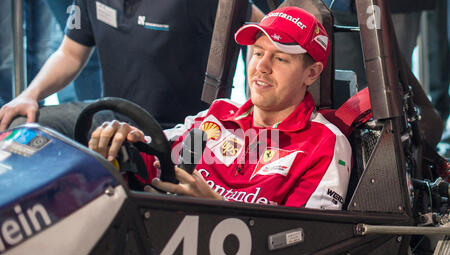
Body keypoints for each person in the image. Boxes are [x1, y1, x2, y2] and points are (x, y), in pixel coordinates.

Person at [88, 6, 352, 209]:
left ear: (312, 73)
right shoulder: (217, 116)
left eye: (280, 58)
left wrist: (218, 210)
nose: (261, 67)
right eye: (258, 53)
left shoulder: (325, 143)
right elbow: (157, 155)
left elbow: (307, 242)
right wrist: (124, 142)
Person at [0, 0, 264, 135]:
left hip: (181, 133)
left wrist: (255, 103)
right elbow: (70, 52)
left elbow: (259, 25)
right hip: (110, 118)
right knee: (19, 124)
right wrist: (30, 95)